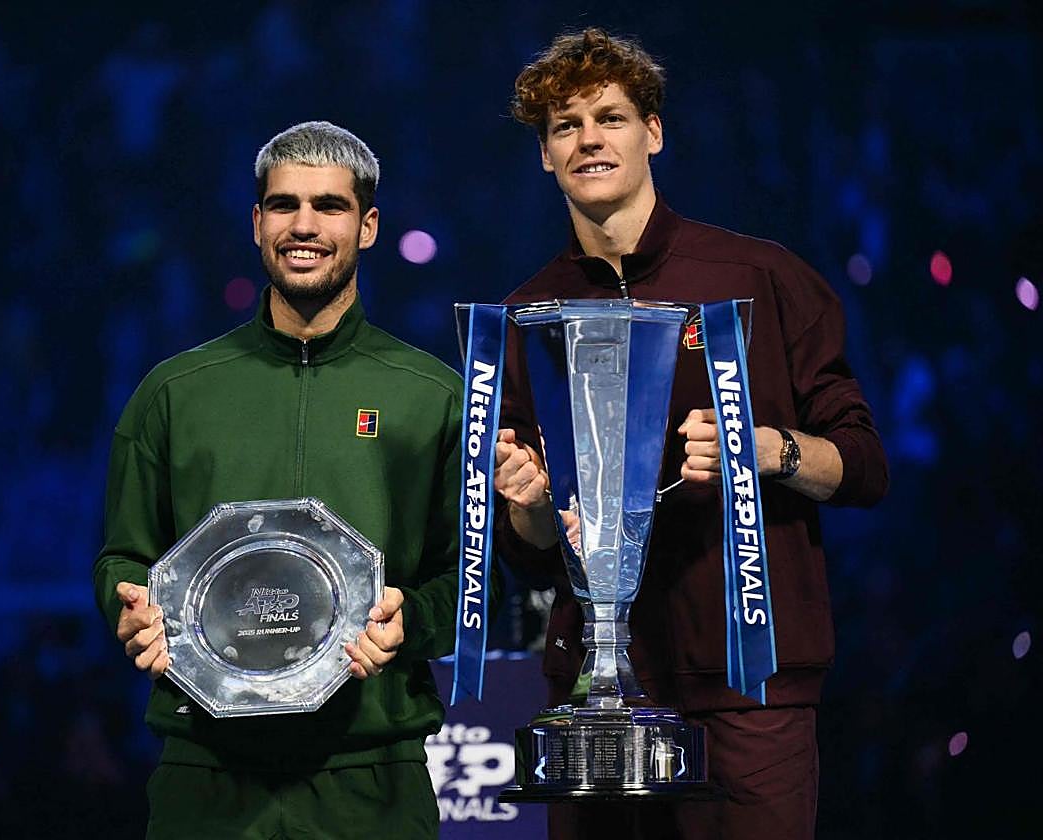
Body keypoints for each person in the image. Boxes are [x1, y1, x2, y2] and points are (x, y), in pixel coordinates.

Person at [492, 29, 888, 840]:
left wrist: (763, 446)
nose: (589, 139)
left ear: (654, 132)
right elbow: (531, 543)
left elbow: (865, 467)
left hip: (749, 683)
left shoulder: (760, 277)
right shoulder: (528, 311)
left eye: (610, 117)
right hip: (597, 694)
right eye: (566, 126)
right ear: (544, 155)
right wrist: (524, 500)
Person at [93, 121, 484, 839]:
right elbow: (123, 555)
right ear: (256, 222)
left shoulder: (433, 394)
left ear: (367, 227)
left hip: (371, 775)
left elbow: (467, 576)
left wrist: (412, 622)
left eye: (329, 206)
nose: (304, 225)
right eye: (284, 205)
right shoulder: (175, 391)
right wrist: (131, 607)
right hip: (206, 773)